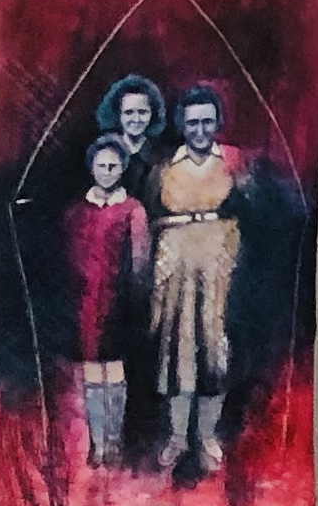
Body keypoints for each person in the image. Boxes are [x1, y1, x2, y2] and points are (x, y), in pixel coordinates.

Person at [147, 84, 252, 480]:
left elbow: (251, 209)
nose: (200, 130)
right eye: (192, 123)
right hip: (176, 266)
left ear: (217, 123)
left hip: (219, 265)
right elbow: (153, 216)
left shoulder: (233, 164)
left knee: (213, 351)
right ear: (181, 125)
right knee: (178, 350)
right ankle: (177, 436)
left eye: (207, 121)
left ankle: (207, 435)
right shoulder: (166, 167)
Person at [65, 135, 150, 472]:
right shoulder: (76, 212)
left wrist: (133, 300)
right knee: (90, 372)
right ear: (92, 168)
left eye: (114, 165)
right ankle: (97, 442)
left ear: (122, 168)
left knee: (113, 370)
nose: (107, 171)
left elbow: (140, 260)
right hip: (86, 302)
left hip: (119, 301)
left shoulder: (133, 210)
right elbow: (69, 258)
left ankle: (113, 440)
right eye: (101, 165)